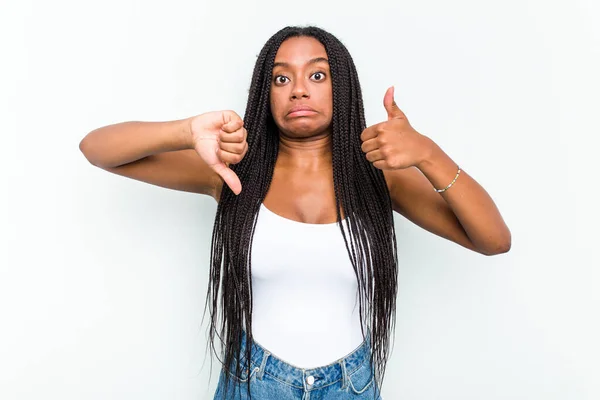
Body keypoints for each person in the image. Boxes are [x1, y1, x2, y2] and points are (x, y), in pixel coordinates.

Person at [79, 25, 511, 400]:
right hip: (253, 382)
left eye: (317, 75)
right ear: (264, 94)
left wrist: (429, 155)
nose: (298, 89)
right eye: (281, 78)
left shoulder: (378, 176)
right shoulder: (232, 173)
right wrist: (186, 131)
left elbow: (493, 240)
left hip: (351, 385)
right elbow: (97, 150)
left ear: (340, 87)